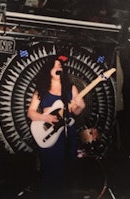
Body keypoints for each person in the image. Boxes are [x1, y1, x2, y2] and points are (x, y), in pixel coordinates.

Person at [27, 55, 85, 199]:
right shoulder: (41, 89)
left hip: (67, 132)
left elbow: (75, 111)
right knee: (51, 171)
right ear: (48, 70)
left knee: (68, 170)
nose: (59, 67)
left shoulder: (71, 88)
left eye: (60, 65)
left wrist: (81, 106)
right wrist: (44, 117)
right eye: (55, 65)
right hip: (50, 135)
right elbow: (30, 112)